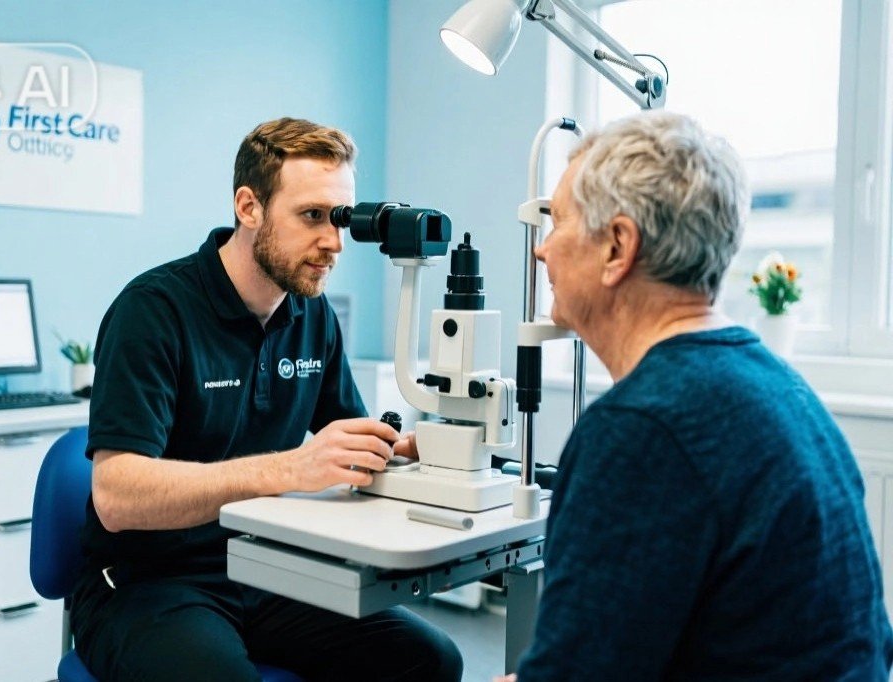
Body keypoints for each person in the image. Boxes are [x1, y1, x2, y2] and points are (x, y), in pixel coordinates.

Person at [500, 111, 893, 681]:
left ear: (617, 246)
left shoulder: (641, 428)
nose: (542, 251)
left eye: (555, 222)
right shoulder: (779, 387)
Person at [71, 117, 463, 682]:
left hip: (267, 567)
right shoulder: (153, 311)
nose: (332, 241)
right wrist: (290, 468)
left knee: (430, 660)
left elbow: (348, 438)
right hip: (147, 583)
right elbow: (117, 497)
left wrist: (406, 450)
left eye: (341, 218)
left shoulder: (312, 313)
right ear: (249, 207)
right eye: (311, 216)